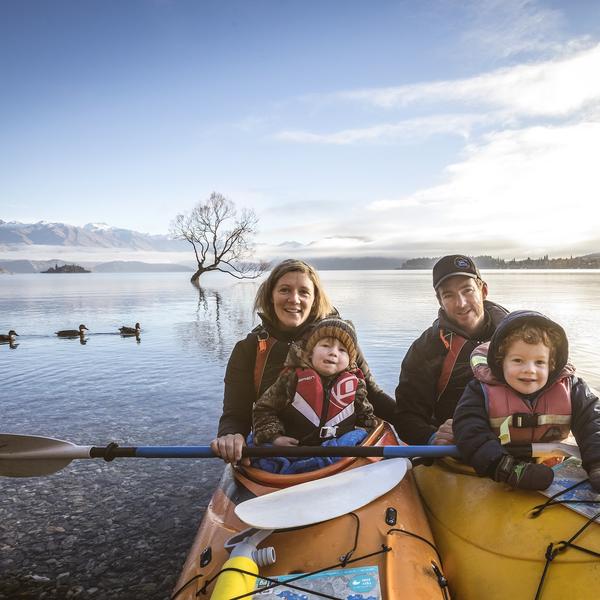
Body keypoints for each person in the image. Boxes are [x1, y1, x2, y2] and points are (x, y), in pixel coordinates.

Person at [211, 259, 396, 463]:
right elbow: (235, 414)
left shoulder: (341, 343)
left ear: (315, 299)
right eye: (284, 290)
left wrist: (424, 431)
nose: (294, 299)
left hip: (339, 456)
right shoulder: (247, 349)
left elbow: (374, 397)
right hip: (276, 452)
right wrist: (230, 434)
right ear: (271, 296)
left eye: (304, 292)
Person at [453, 310, 600, 491]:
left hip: (554, 462)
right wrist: (508, 469)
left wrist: (597, 464)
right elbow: (469, 431)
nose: (529, 369)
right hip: (503, 465)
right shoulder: (479, 390)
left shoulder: (573, 388)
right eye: (518, 360)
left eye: (539, 362)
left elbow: (594, 424)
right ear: (500, 362)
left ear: (551, 364)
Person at [394, 255, 508, 445]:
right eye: (449, 295)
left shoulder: (520, 336)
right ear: (440, 301)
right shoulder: (425, 349)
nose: (461, 303)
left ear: (483, 290)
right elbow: (406, 416)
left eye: (467, 290)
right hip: (454, 451)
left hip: (514, 445)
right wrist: (432, 437)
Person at [252, 318, 377, 446]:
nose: (333, 353)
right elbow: (263, 410)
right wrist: (275, 437)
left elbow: (366, 418)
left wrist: (365, 433)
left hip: (340, 451)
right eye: (325, 346)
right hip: (295, 448)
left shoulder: (356, 385)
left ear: (350, 360)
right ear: (311, 353)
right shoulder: (291, 378)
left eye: (342, 350)